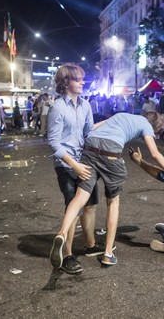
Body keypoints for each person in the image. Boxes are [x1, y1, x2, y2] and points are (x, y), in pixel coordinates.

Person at [49, 111, 164, 268]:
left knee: (80, 196)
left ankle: (62, 233)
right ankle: (108, 254)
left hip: (90, 148)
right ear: (155, 126)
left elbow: (93, 127)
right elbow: (155, 154)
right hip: (111, 153)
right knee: (113, 202)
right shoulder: (146, 125)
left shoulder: (122, 115)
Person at [47, 64, 105, 275]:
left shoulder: (86, 105)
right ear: (66, 82)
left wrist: (111, 122)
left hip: (86, 161)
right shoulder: (57, 108)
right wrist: (74, 165)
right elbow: (53, 142)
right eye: (78, 79)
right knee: (73, 208)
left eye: (82, 79)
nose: (83, 82)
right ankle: (67, 256)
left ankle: (90, 246)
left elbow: (89, 131)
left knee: (90, 205)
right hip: (66, 165)